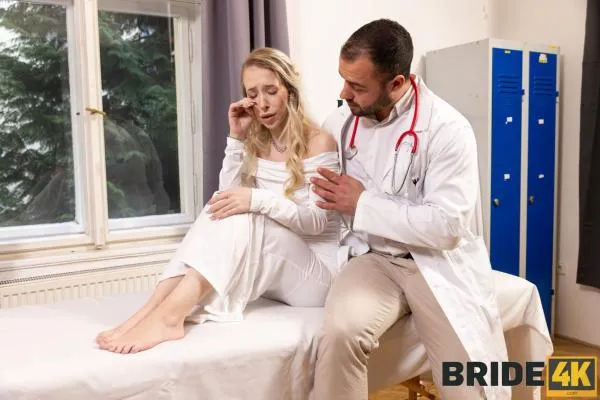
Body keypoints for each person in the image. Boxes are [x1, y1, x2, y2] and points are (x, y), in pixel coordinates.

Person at [311, 19, 510, 399]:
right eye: (343, 80)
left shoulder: (447, 129)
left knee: (466, 383)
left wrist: (362, 203)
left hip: (435, 262)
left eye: (357, 86)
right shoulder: (339, 123)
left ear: (397, 83)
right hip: (374, 259)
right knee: (340, 334)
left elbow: (447, 226)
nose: (344, 93)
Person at [95, 47, 340, 354]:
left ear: (290, 90)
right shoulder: (259, 139)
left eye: (271, 91)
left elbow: (317, 224)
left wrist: (257, 199)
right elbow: (227, 201)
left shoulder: (319, 141)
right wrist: (236, 137)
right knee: (222, 205)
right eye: (253, 94)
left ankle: (169, 318)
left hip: (315, 278)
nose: (262, 104)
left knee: (248, 209)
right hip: (275, 271)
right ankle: (150, 311)